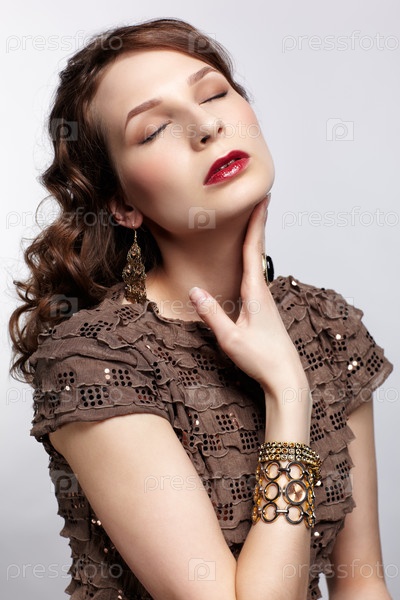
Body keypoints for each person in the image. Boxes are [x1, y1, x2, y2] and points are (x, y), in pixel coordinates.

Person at [9, 17, 393, 600]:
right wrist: (288, 391)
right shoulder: (97, 362)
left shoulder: (327, 327)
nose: (207, 126)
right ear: (122, 204)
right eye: (155, 128)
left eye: (214, 94)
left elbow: (361, 585)